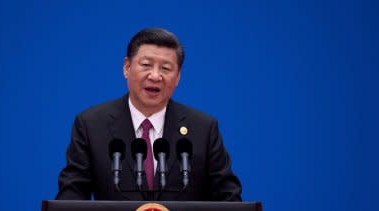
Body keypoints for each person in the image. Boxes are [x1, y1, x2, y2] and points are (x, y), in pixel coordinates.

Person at [56, 28, 241, 201]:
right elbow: (71, 197)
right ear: (126, 68)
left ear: (177, 77)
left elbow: (228, 198)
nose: (155, 76)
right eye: (146, 65)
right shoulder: (91, 125)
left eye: (166, 69)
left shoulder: (203, 128)